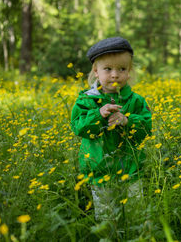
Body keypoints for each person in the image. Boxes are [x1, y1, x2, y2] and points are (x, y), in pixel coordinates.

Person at [70, 37, 152, 225]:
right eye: (108, 69)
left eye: (122, 69)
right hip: (99, 169)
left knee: (135, 213)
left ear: (129, 72)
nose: (115, 75)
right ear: (96, 72)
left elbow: (147, 129)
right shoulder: (86, 101)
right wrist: (98, 115)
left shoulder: (136, 100)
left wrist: (128, 121)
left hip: (131, 169)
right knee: (107, 217)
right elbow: (78, 127)